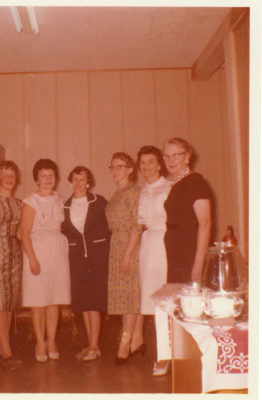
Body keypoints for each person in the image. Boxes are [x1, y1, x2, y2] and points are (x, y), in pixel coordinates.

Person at [19, 159, 70, 362]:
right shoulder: (30, 201)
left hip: (57, 251)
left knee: (54, 298)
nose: (48, 179)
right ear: (37, 179)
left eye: (51, 175)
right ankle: (40, 341)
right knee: (38, 300)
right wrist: (32, 259)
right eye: (43, 175)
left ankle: (52, 340)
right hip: (37, 251)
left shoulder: (59, 199)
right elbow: (23, 233)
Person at [61, 166, 110, 361]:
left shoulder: (99, 202)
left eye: (82, 179)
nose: (78, 183)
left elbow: (108, 228)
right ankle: (91, 344)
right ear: (70, 181)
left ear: (88, 182)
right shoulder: (65, 205)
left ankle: (95, 346)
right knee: (84, 303)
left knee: (94, 303)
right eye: (75, 179)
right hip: (77, 258)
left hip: (97, 256)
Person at [105, 152, 144, 364]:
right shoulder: (117, 193)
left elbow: (137, 225)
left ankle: (125, 343)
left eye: (120, 166)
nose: (115, 171)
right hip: (117, 244)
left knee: (129, 296)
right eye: (112, 167)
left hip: (130, 245)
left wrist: (127, 254)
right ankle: (137, 340)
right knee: (127, 295)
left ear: (130, 169)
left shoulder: (133, 192)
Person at [136, 146, 172, 376]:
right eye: (142, 162)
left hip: (167, 244)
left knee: (167, 301)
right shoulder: (143, 191)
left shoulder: (170, 188)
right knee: (153, 302)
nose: (146, 166)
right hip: (148, 245)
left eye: (150, 161)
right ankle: (162, 352)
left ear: (160, 164)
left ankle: (168, 355)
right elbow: (140, 223)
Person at [162, 137, 212, 284]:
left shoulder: (195, 181)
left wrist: (198, 262)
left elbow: (206, 223)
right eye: (167, 156)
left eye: (176, 155)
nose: (171, 160)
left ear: (187, 157)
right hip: (175, 246)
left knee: (189, 298)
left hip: (189, 246)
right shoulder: (176, 184)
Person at [0, 160, 23, 366]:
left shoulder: (20, 203)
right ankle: (8, 352)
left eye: (12, 174)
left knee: (10, 304)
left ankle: (3, 348)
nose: (9, 178)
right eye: (5, 174)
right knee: (0, 304)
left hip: (15, 254)